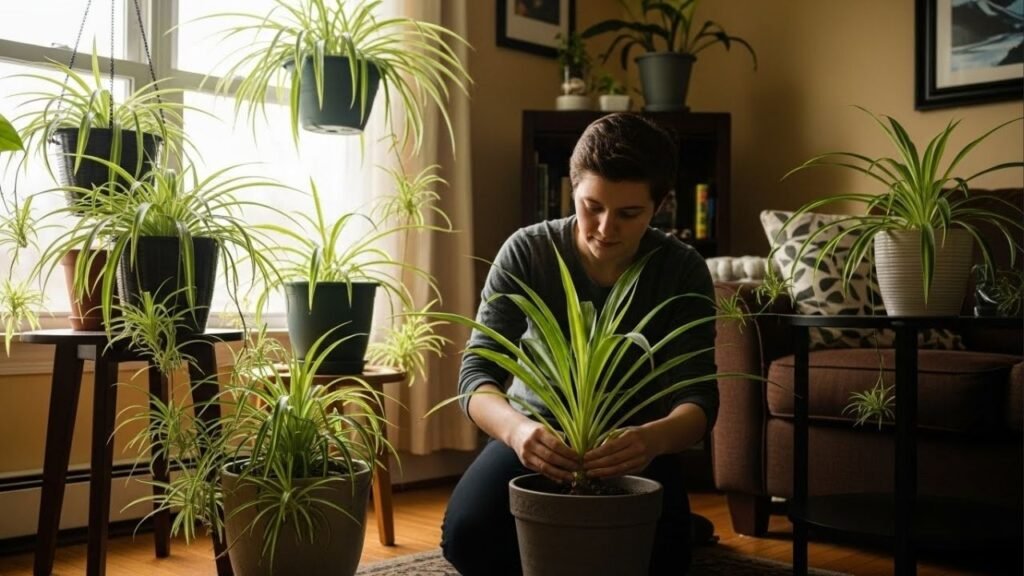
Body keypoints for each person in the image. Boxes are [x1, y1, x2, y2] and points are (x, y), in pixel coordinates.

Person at [440, 113, 718, 575]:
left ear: (660, 205)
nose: (606, 228)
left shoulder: (681, 269)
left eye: (629, 213)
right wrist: (517, 431)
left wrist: (651, 439)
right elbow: (476, 375)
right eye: (593, 206)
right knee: (468, 539)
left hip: (634, 448)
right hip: (536, 437)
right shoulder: (528, 251)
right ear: (573, 191)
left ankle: (680, 524)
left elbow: (700, 399)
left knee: (664, 561)